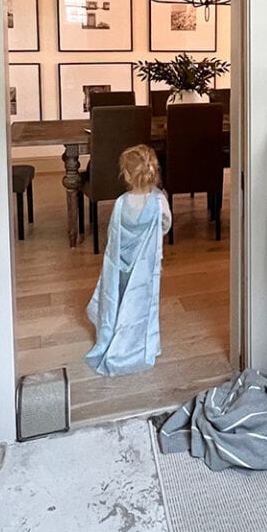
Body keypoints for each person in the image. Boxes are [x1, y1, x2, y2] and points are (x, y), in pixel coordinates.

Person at [85, 144, 171, 377]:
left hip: (121, 263)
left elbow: (114, 234)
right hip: (146, 266)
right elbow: (165, 226)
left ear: (126, 175)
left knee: (120, 297)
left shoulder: (121, 202)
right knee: (142, 303)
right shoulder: (159, 202)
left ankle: (113, 331)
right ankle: (142, 343)